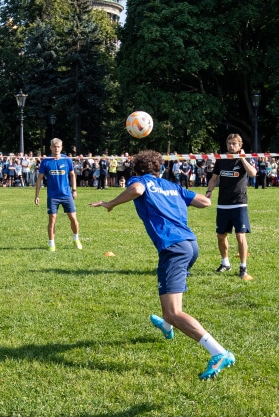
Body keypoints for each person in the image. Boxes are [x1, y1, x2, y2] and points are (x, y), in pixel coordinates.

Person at [91, 150, 235, 381]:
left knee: (173, 311)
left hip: (173, 248)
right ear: (159, 168)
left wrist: (111, 203)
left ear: (138, 169)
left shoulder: (140, 181)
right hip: (190, 245)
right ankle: (167, 327)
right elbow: (205, 202)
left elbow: (138, 190)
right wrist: (184, 196)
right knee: (169, 299)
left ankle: (219, 352)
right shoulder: (172, 186)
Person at [207, 134, 258, 280]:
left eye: (234, 143)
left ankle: (243, 267)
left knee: (240, 235)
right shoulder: (221, 159)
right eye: (229, 143)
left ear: (240, 145)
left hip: (239, 202)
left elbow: (253, 174)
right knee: (221, 235)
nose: (231, 146)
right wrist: (209, 191)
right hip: (223, 203)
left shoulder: (245, 158)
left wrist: (242, 158)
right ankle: (225, 263)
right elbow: (214, 179)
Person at [34, 138, 82, 251]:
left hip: (66, 195)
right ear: (51, 147)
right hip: (52, 196)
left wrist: (74, 190)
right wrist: (37, 196)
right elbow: (39, 179)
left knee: (73, 218)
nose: (56, 149)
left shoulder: (67, 160)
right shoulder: (46, 161)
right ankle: (51, 244)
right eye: (54, 147)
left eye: (58, 147)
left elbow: (72, 175)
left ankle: (76, 238)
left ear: (61, 147)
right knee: (52, 219)